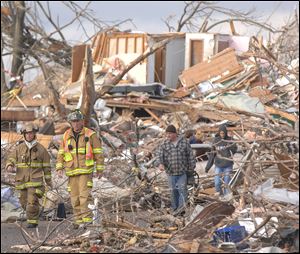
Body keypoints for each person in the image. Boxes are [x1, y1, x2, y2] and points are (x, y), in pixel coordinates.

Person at [56, 109, 104, 229]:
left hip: (85, 171)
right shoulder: (66, 135)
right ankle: (78, 221)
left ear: (82, 121)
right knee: (74, 198)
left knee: (84, 197)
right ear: (70, 123)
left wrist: (99, 169)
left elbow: (98, 153)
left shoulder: (90, 134)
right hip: (71, 171)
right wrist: (59, 167)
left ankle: (86, 221)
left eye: (78, 121)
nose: (76, 124)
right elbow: (61, 153)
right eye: (73, 121)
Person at [5, 122, 52, 228]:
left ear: (34, 134)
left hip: (35, 182)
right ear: (24, 134)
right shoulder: (19, 148)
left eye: (31, 133)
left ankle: (33, 221)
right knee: (23, 202)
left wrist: (49, 182)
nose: (29, 135)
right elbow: (11, 158)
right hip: (22, 182)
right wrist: (9, 165)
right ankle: (34, 212)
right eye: (27, 133)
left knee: (32, 202)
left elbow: (47, 167)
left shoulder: (41, 149)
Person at [158, 125, 196, 215]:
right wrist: (160, 164)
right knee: (173, 192)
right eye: (166, 133)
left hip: (182, 173)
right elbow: (159, 157)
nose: (168, 135)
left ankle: (181, 210)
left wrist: (192, 166)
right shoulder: (164, 144)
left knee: (183, 191)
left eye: (170, 133)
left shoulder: (184, 142)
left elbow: (190, 155)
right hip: (170, 173)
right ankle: (175, 210)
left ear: (175, 134)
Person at [205, 124, 237, 196]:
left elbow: (235, 148)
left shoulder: (229, 140)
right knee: (217, 182)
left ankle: (226, 197)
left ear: (225, 132)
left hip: (228, 165)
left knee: (227, 182)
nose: (222, 135)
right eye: (221, 133)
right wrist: (207, 167)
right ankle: (220, 195)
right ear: (219, 132)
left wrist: (230, 149)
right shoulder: (216, 140)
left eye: (223, 133)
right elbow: (212, 155)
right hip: (218, 165)